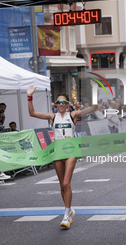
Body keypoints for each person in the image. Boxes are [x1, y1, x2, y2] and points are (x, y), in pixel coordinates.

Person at [27, 84, 96, 228]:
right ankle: (69, 210)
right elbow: (32, 113)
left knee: (66, 183)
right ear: (55, 104)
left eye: (63, 102)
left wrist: (94, 92)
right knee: (61, 185)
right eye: (58, 102)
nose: (60, 105)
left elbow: (92, 109)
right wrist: (29, 96)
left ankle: (66, 215)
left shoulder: (73, 115)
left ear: (68, 104)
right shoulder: (52, 116)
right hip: (58, 152)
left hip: (71, 152)